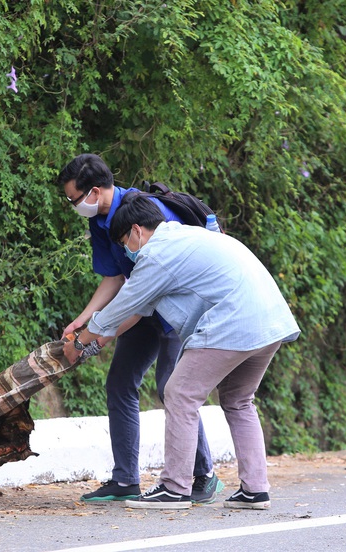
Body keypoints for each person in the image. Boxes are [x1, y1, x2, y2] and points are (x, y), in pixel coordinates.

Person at [63, 193, 300, 509]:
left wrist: (79, 343)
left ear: (137, 230)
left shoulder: (156, 256)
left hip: (233, 321)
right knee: (238, 400)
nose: (125, 251)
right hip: (270, 319)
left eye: (124, 243)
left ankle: (174, 488)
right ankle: (255, 489)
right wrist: (95, 343)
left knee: (179, 393)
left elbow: (118, 308)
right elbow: (135, 310)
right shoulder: (186, 238)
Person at [58, 154, 222, 503]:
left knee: (171, 386)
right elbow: (116, 278)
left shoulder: (146, 211)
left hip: (179, 308)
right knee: (120, 381)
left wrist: (95, 337)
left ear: (96, 191)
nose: (73, 206)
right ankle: (125, 480)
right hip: (141, 308)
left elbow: (170, 274)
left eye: (75, 199)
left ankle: (203, 474)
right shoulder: (98, 222)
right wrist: (83, 320)